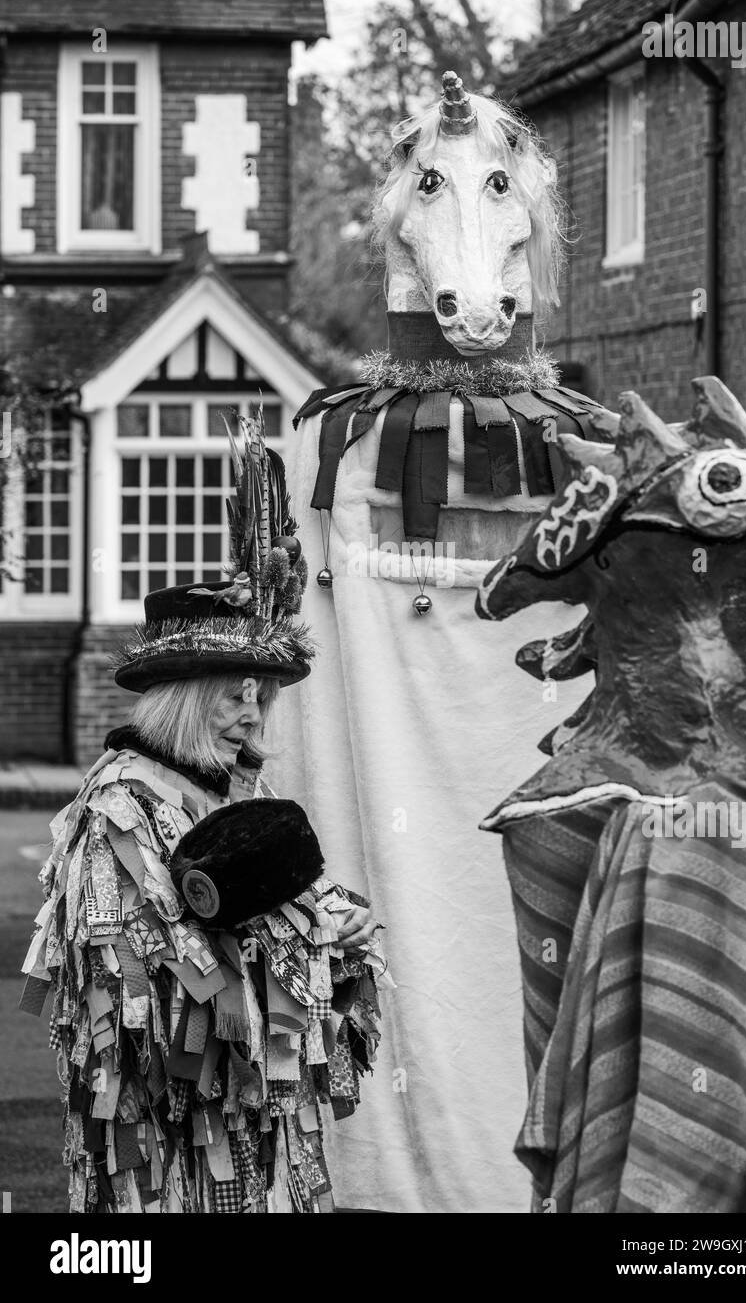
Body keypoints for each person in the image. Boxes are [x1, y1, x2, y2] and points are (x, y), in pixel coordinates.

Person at [19, 415, 388, 1213]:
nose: (253, 715)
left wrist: (342, 936)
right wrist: (305, 947)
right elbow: (137, 1023)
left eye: (263, 694)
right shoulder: (118, 807)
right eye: (234, 691)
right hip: (166, 1152)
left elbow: (284, 933)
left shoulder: (232, 796)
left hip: (255, 1143)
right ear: (186, 696)